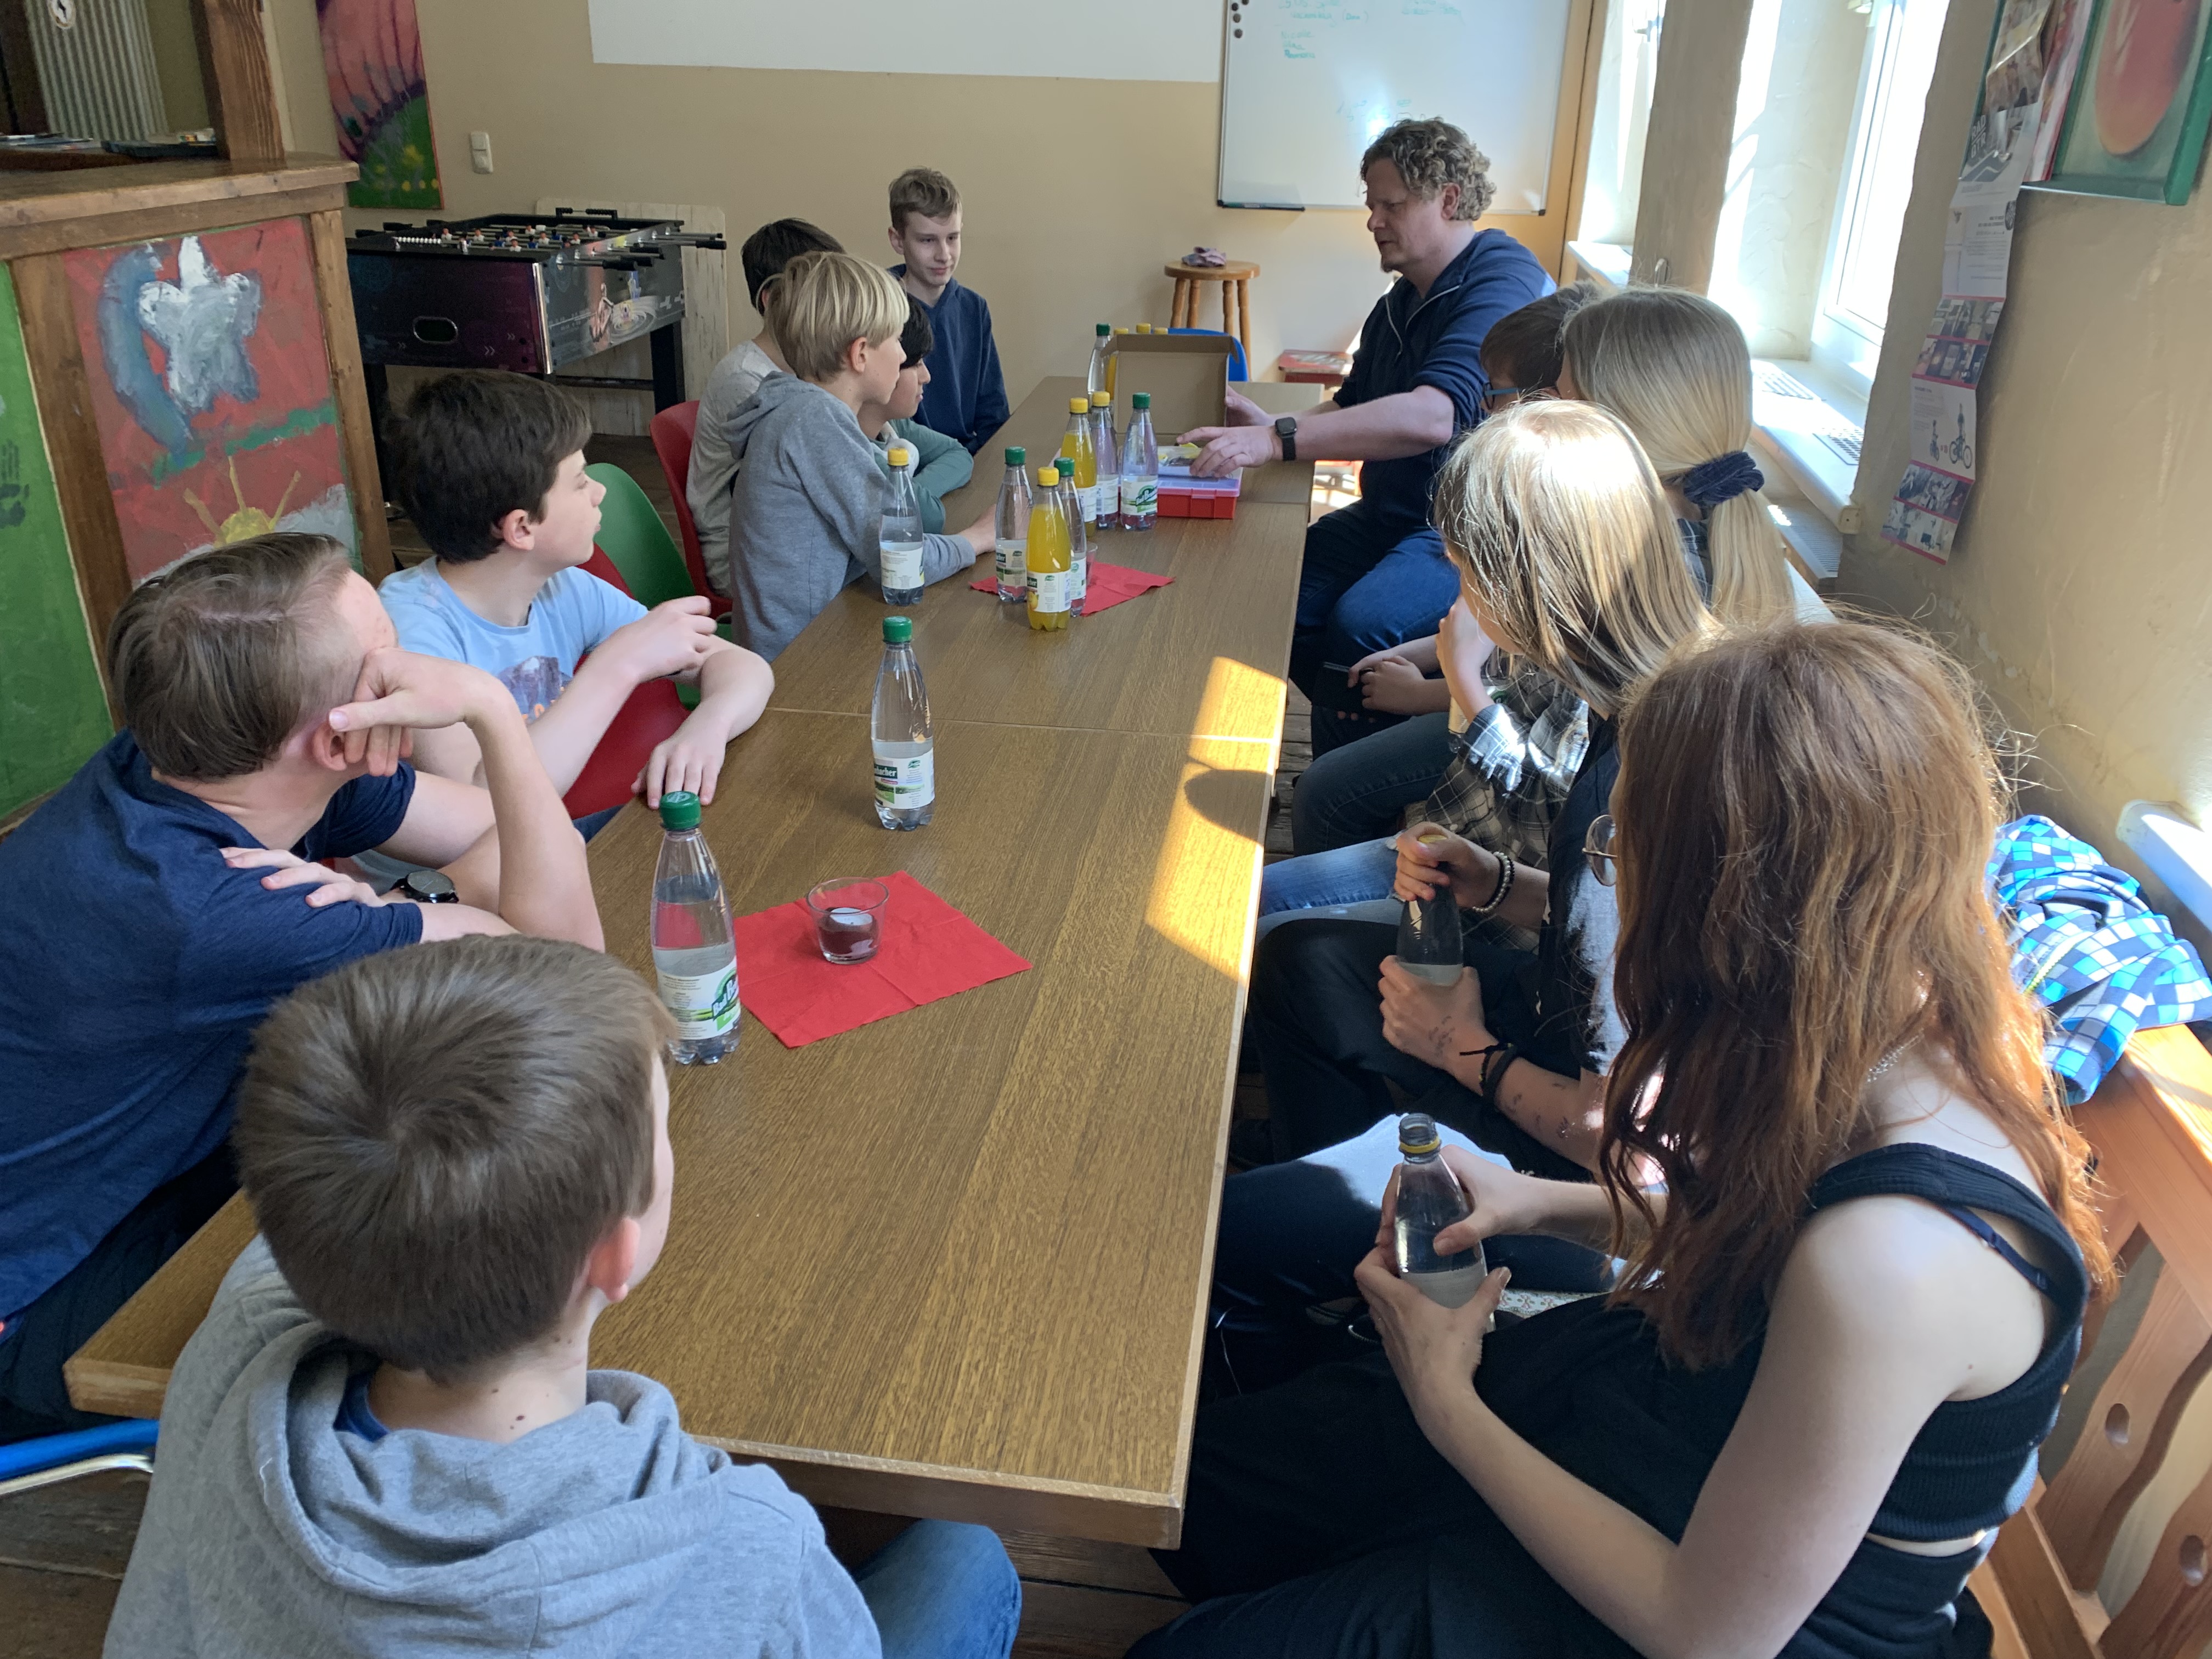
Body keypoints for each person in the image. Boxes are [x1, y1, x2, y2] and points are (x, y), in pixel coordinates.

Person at [1142, 620, 2110, 1659]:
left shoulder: (1895, 1262)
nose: (1613, 881)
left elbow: (1706, 1631)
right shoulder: (1874, 1036)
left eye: (1619, 853)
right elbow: (1759, 1235)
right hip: (1667, 1418)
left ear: (1734, 906)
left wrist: (1445, 1398)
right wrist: (1537, 1201)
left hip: (1706, 1593)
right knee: (1209, 1491)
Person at [104, 935, 1022, 1659]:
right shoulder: (746, 1540)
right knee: (964, 1558)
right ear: (615, 1253)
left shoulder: (238, 1350)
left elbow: (328, 1186)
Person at [0, 533, 603, 1439]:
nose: (417, 672)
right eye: (388, 660)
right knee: (481, 1254)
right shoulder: (202, 908)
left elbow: (510, 833)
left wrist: (398, 905)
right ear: (337, 733)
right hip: (47, 1294)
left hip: (150, 1165)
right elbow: (569, 960)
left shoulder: (209, 762)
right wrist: (488, 710)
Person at [1247, 402, 1709, 1169]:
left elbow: (1620, 1145)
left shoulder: (1619, 801)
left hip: (1569, 1152)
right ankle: (1331, 1167)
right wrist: (1494, 882)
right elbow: (1610, 924)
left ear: (1516, 588)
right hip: (1543, 1002)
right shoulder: (1660, 692)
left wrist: (1459, 1048)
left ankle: (1371, 1201)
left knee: (1247, 1224)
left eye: (1464, 574)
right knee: (1301, 959)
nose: (1461, 600)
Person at [1181, 119, 1553, 755]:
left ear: (1449, 199)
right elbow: (1352, 406)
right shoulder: (1399, 301)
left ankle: (1355, 784)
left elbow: (1434, 417)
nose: (1373, 221)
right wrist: (1272, 426)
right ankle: (1351, 748)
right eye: (1371, 205)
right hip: (1393, 513)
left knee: (1362, 627)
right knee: (1267, 597)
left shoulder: (1502, 281)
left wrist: (1279, 443)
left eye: (1391, 205)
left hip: (1467, 530)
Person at [1271, 285, 1595, 871]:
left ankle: (1343, 875)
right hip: (1487, 723)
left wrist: (1426, 693)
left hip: (1500, 804)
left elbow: (1531, 713)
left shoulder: (1565, 534)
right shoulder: (1542, 506)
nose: (1482, 409)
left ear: (1545, 401)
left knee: (1328, 792)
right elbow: (1497, 636)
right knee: (1334, 735)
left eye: (1493, 394)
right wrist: (1426, 655)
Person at [381, 371, 774, 828]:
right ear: (521, 527)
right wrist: (617, 665)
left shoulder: (564, 587)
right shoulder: (411, 633)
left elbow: (745, 668)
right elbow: (480, 813)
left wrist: (707, 727)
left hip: (539, 833)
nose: (598, 491)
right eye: (581, 480)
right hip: (464, 862)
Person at [725, 251, 994, 661]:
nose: (904, 356)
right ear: (861, 354)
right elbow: (900, 561)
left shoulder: (799, 411)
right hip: (800, 666)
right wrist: (979, 538)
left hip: (810, 641)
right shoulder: (814, 421)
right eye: (896, 341)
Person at [1559, 285, 1826, 623]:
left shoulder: (1613, 579)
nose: (1546, 413)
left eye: (1562, 400)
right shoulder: (1734, 539)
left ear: (1617, 421)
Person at [691, 217, 844, 597]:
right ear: (773, 300)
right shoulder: (747, 381)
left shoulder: (804, 368)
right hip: (742, 562)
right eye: (822, 292)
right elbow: (823, 478)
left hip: (784, 541)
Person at [887, 166, 1008, 455]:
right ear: (898, 240)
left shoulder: (974, 309)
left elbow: (993, 415)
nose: (944, 255)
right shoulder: (877, 309)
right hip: (907, 463)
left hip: (969, 459)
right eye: (927, 240)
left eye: (952, 238)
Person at [862, 294, 974, 532]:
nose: (926, 377)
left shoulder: (892, 425)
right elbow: (929, 517)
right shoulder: (853, 447)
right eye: (915, 364)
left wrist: (913, 490)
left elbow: (958, 454)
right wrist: (913, 497)